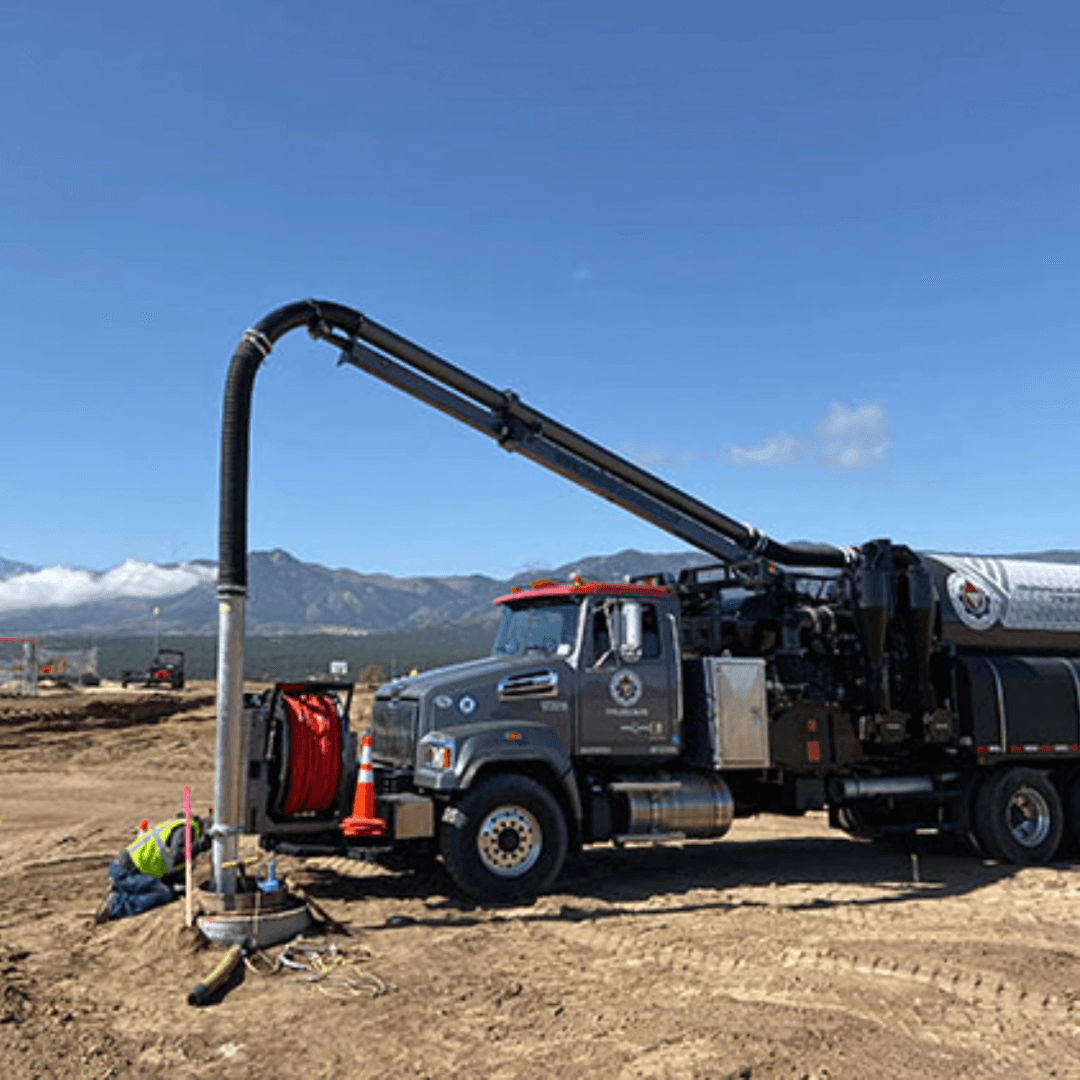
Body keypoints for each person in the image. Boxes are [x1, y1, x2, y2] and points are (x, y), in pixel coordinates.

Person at [95, 812, 210, 922]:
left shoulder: (179, 825)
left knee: (169, 890)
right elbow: (178, 856)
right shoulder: (186, 828)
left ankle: (122, 891)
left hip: (128, 870)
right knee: (163, 893)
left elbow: (171, 864)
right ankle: (115, 905)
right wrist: (201, 845)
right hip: (126, 872)